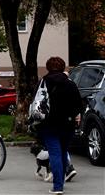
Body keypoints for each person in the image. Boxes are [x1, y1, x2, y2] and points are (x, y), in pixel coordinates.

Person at [36, 57, 83, 194]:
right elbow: (78, 105)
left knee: (54, 154)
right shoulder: (70, 84)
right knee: (63, 152)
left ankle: (58, 187)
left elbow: (36, 101)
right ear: (63, 68)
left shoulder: (43, 83)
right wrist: (76, 116)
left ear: (48, 68)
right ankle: (60, 183)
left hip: (48, 124)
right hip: (67, 124)